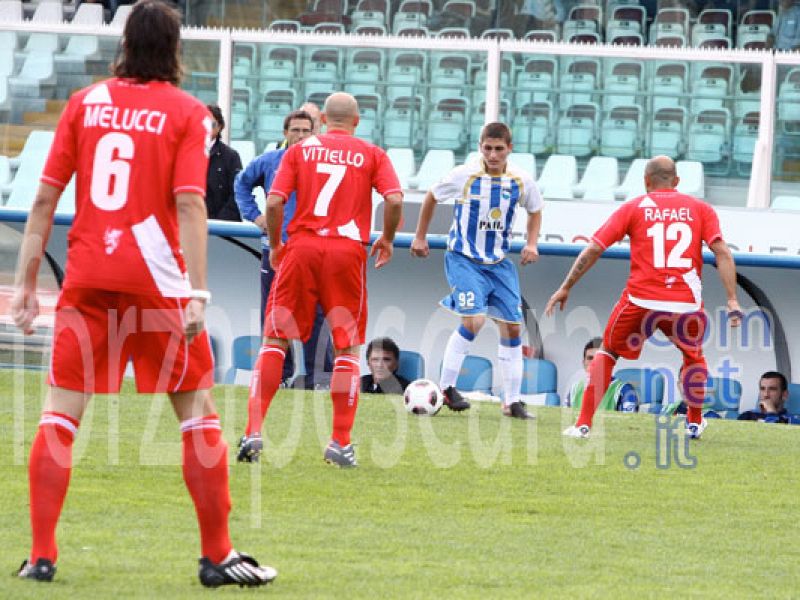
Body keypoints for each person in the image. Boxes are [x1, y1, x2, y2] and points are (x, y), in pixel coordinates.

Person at [9, 0, 275, 588]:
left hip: (86, 280)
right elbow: (189, 202)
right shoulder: (184, 112)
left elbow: (45, 200)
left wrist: (29, 282)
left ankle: (41, 556)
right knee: (197, 414)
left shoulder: (85, 104)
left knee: (59, 415)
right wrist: (197, 292)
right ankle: (217, 555)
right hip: (158, 284)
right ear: (176, 50)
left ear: (124, 45)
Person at [237, 92, 403, 468]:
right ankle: (339, 443)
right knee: (346, 349)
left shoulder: (300, 150)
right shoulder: (372, 153)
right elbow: (394, 199)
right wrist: (388, 239)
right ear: (357, 121)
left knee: (275, 339)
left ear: (324, 119)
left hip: (302, 247)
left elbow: (275, 201)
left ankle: (253, 432)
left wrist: (278, 244)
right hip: (346, 252)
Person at [545, 155, 742, 440]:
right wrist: (732, 299)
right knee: (693, 357)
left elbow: (593, 248)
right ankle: (694, 422)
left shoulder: (634, 207)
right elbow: (723, 252)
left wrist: (566, 286)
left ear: (646, 181)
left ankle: (583, 424)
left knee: (608, 352)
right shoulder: (701, 209)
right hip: (684, 303)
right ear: (676, 182)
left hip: (641, 301)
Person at [411, 122, 543, 420]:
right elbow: (432, 196)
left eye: (499, 149)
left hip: (498, 263)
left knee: (511, 327)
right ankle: (446, 388)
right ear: (480, 147)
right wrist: (420, 236)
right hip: (463, 258)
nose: (493, 154)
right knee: (475, 320)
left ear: (510, 148)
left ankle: (512, 401)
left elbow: (535, 210)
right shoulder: (464, 175)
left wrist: (531, 243)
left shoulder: (521, 180)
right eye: (487, 148)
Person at [235, 109, 333, 389]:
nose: (300, 136)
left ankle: (320, 378)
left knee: (317, 314)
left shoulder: (323, 165)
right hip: (276, 249)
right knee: (274, 312)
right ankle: (277, 375)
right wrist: (254, 216)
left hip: (313, 251)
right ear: (285, 133)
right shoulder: (269, 162)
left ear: (315, 133)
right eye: (295, 130)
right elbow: (240, 184)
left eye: (306, 131)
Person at [566, 338, 639, 412]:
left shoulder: (624, 390)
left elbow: (629, 422)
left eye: (599, 358)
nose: (594, 362)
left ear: (608, 362)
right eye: (590, 358)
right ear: (583, 362)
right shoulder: (574, 390)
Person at [204, 104, 242, 221]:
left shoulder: (230, 156)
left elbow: (237, 193)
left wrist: (219, 223)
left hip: (223, 227)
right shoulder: (185, 153)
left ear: (220, 126)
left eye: (211, 124)